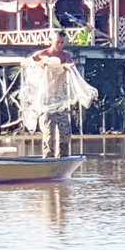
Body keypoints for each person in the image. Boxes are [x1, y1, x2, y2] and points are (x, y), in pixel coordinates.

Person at [29, 30, 74, 158]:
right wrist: (39, 64)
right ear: (52, 41)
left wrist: (68, 67)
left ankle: (63, 158)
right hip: (46, 97)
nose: (59, 45)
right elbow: (30, 63)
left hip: (60, 97)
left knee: (65, 133)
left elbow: (69, 66)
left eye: (62, 43)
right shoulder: (43, 54)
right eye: (57, 42)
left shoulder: (65, 55)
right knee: (49, 132)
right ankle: (47, 158)